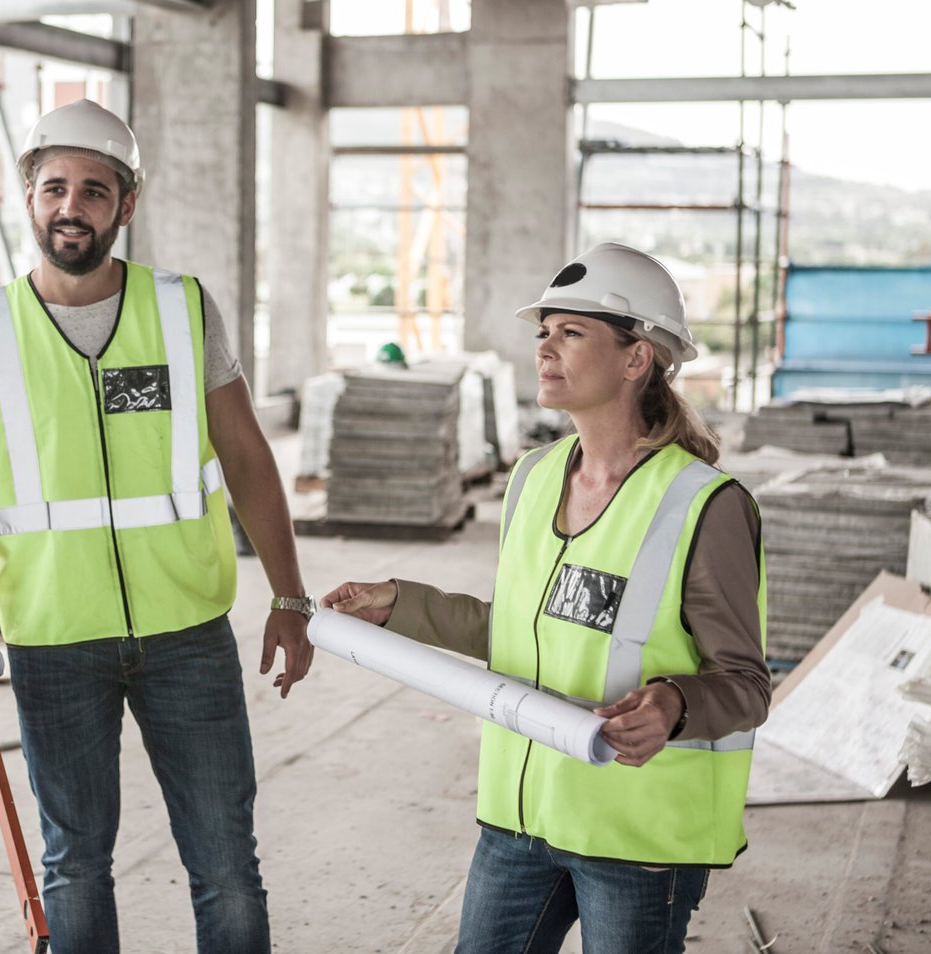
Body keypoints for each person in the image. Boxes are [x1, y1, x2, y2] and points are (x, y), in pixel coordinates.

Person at [0, 99, 314, 954]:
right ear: (27, 197)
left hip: (188, 633)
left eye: (94, 191)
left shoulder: (182, 312)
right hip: (54, 642)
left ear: (126, 205)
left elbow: (248, 458)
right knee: (75, 866)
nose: (73, 207)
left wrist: (291, 595)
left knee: (226, 865)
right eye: (55, 187)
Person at [322, 242, 769, 954]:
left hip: (636, 835)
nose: (544, 350)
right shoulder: (533, 477)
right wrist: (398, 604)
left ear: (636, 358)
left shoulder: (703, 504)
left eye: (571, 333)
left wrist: (675, 704)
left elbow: (745, 684)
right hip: (522, 815)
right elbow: (526, 629)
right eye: (543, 332)